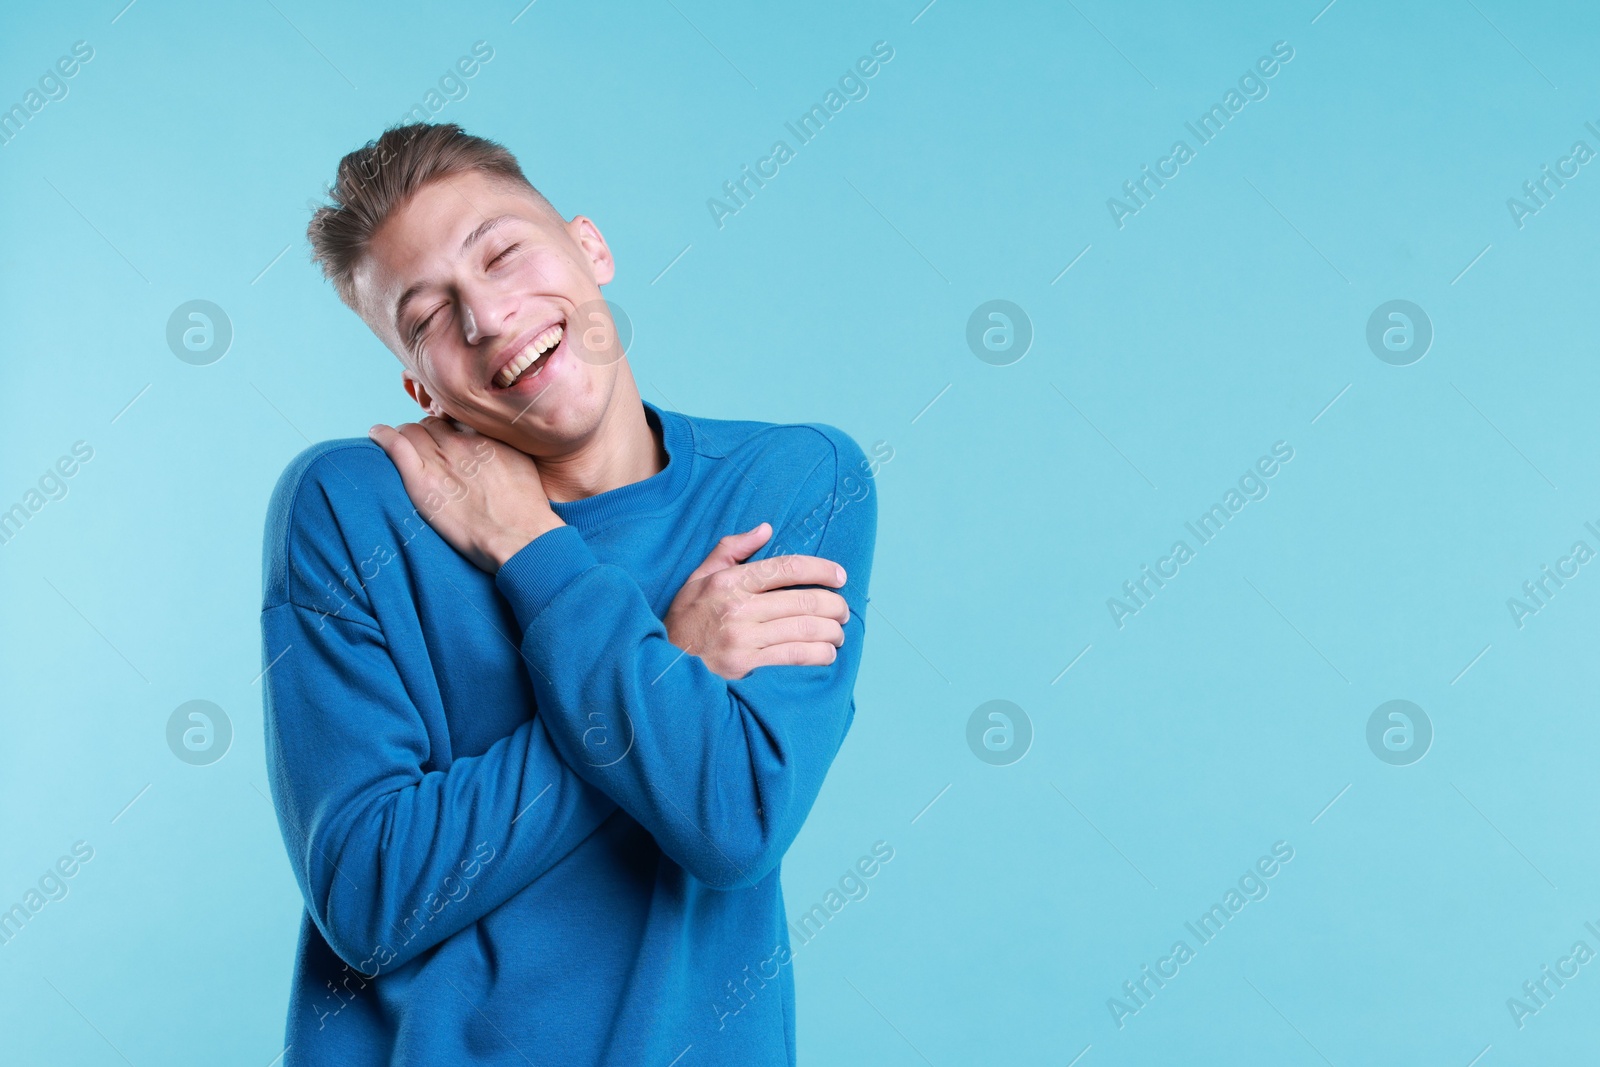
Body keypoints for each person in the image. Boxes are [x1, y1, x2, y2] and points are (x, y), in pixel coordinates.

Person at [257, 122, 878, 1066]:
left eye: (503, 253)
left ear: (591, 246)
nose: (491, 320)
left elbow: (732, 820)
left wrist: (525, 541)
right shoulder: (354, 508)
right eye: (428, 317)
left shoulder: (791, 482)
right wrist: (666, 669)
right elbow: (371, 897)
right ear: (419, 387)